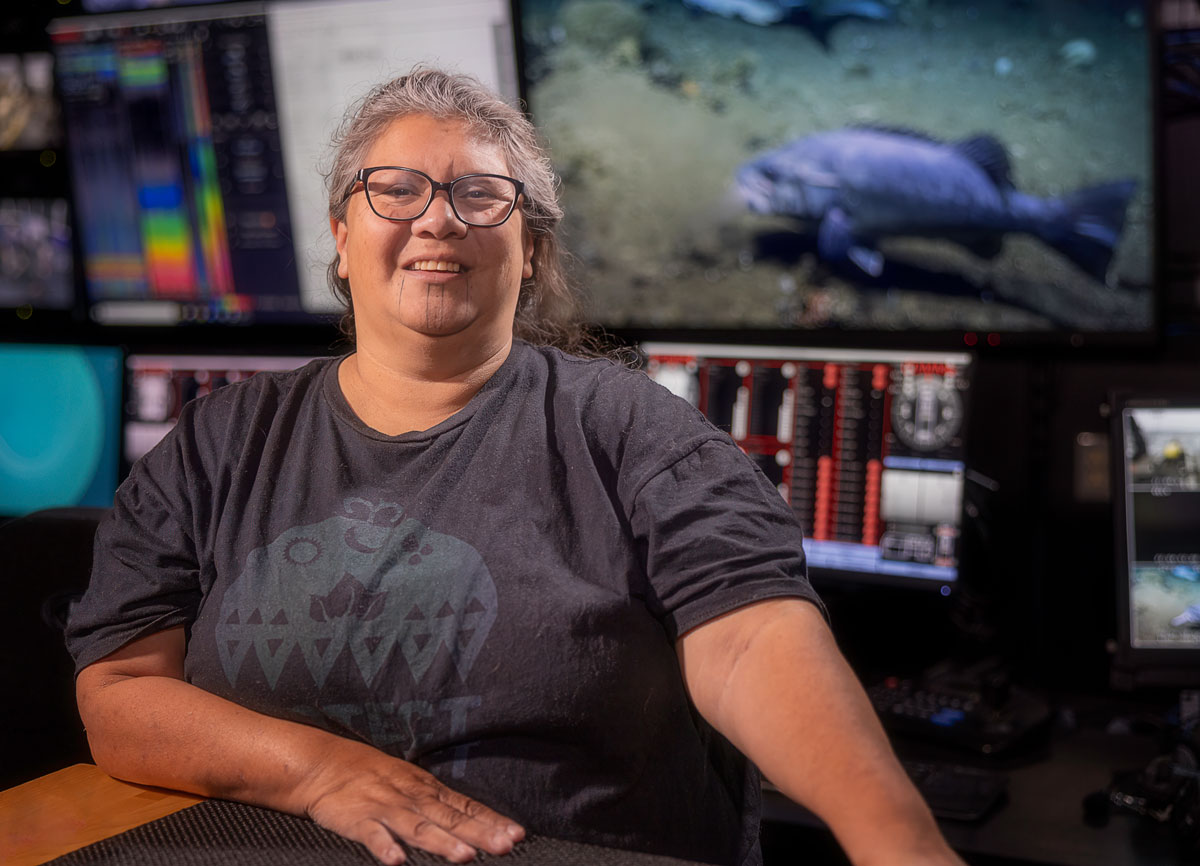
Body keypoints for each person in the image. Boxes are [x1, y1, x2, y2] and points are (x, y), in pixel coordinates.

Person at [65, 68, 965, 866]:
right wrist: (316, 771)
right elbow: (120, 692)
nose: (438, 219)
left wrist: (899, 842)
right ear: (341, 234)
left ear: (529, 247)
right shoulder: (219, 444)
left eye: (481, 195)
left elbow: (748, 638)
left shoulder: (637, 432)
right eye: (396, 190)